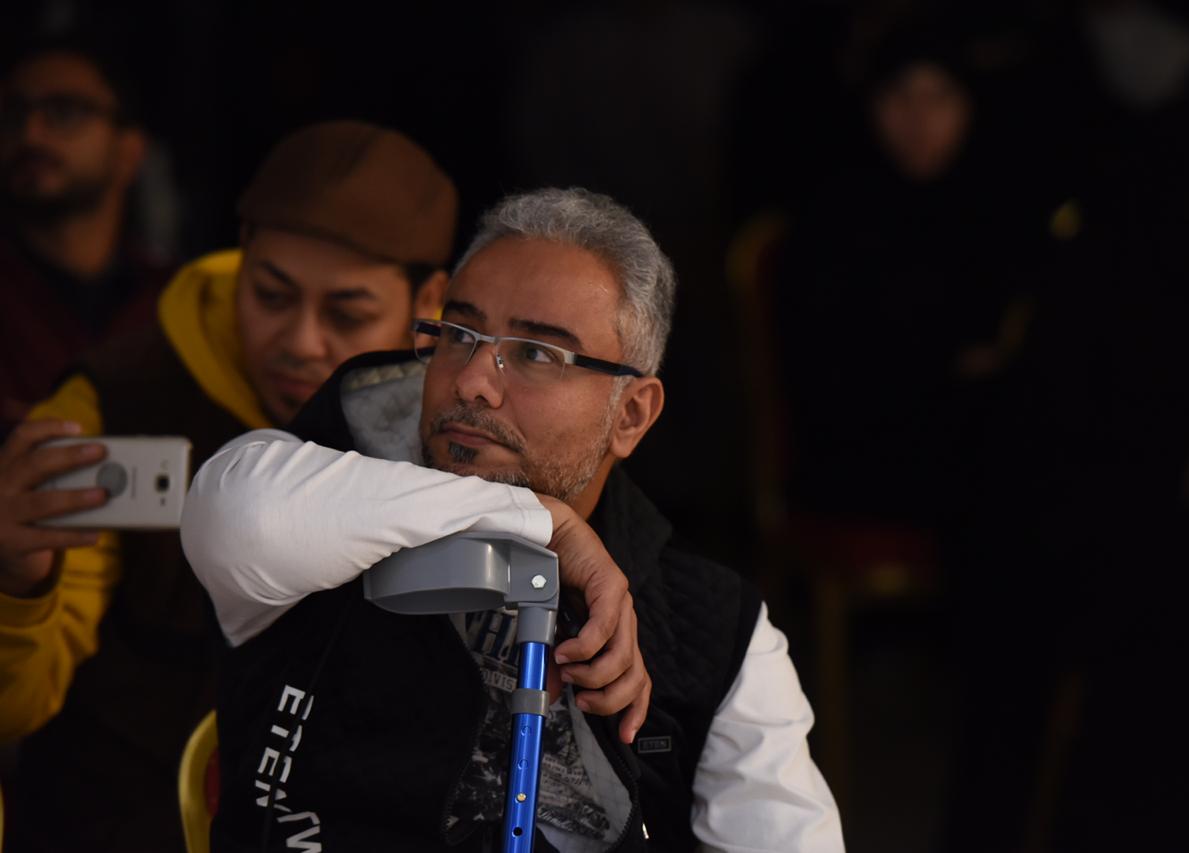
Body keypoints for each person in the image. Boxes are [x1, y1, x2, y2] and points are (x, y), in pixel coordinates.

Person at [181, 188, 842, 852]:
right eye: (459, 334)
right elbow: (247, 521)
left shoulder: (718, 627)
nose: (472, 381)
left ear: (631, 414)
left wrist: (534, 518)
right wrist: (542, 520)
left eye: (536, 354)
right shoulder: (317, 489)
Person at [0, 120, 458, 852]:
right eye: (271, 295)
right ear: (240, 256)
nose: (301, 341)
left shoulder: (461, 423)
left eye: (347, 313)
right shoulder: (117, 404)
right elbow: (16, 707)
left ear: (429, 300)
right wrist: (17, 585)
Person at [0, 38, 169, 425]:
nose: (31, 134)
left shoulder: (177, 302)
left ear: (129, 150)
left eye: (64, 112)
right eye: (13, 114)